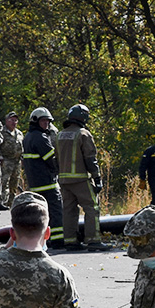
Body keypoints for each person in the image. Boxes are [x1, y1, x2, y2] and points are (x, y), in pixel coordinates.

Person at [57, 104, 104, 250]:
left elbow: (55, 159)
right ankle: (93, 240)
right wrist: (97, 178)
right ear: (83, 117)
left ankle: (71, 241)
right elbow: (90, 158)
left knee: (69, 210)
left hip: (64, 180)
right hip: (81, 179)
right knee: (92, 207)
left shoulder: (60, 135)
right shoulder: (83, 134)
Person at [22, 107, 65, 249]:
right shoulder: (40, 138)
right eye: (43, 121)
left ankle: (44, 240)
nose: (46, 124)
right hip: (47, 183)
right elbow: (51, 159)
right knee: (56, 212)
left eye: (48, 121)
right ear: (35, 121)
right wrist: (59, 171)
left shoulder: (28, 137)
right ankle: (58, 240)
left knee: (40, 214)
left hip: (35, 184)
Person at [0, 111, 24, 206]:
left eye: (15, 120)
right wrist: (0, 157)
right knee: (4, 181)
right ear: (6, 121)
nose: (14, 122)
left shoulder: (19, 133)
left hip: (16, 161)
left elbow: (22, 147)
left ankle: (11, 202)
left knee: (14, 182)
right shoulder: (2, 132)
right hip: (6, 160)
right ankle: (2, 201)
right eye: (11, 120)